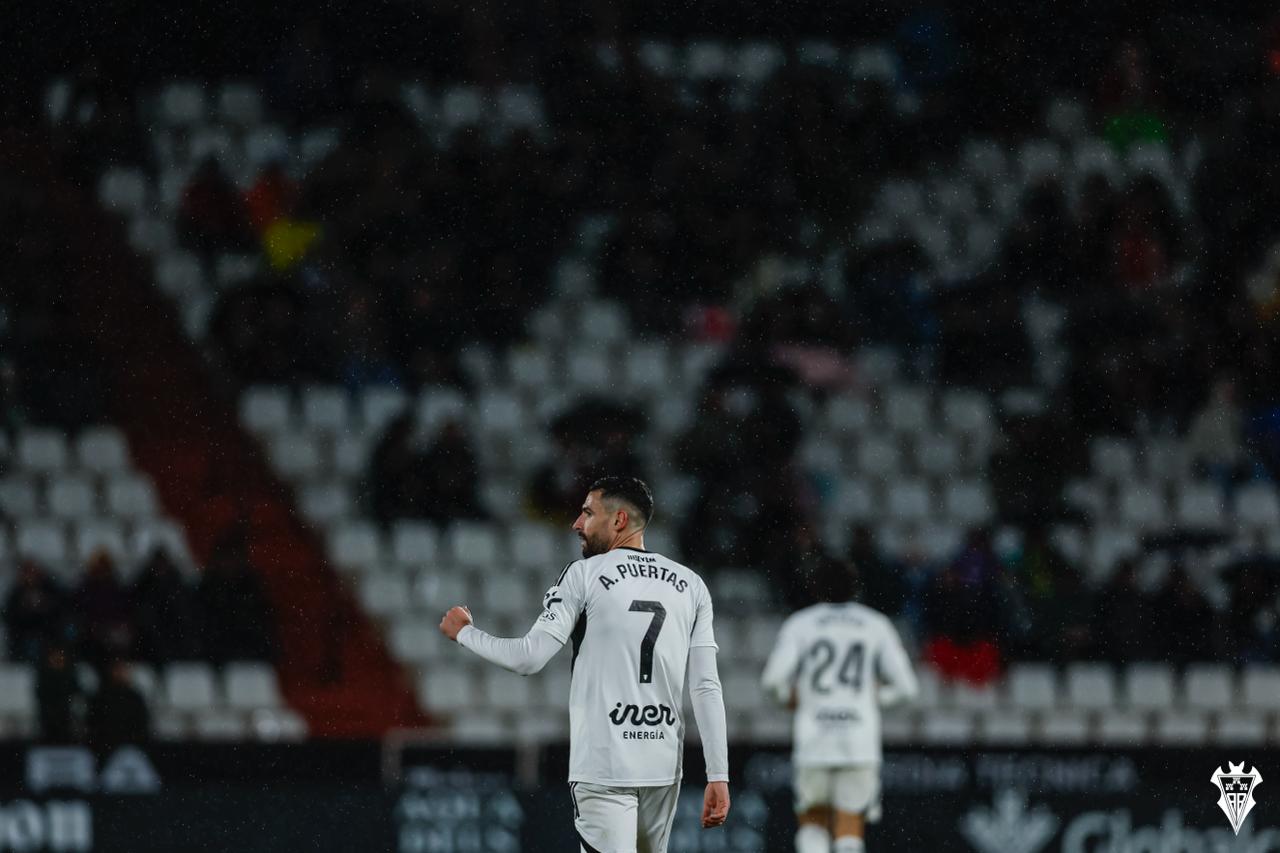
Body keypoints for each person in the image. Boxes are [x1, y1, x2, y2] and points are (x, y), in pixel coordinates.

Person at [439, 476, 730, 852]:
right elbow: (706, 685)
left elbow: (529, 658)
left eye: (587, 513)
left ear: (619, 520)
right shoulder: (691, 585)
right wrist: (718, 774)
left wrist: (465, 633)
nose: (577, 523)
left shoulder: (585, 575)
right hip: (661, 765)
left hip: (604, 765)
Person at [761, 563, 918, 853]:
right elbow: (907, 688)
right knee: (850, 824)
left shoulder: (801, 623)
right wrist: (874, 698)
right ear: (855, 588)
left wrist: (788, 698)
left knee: (813, 821)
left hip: (814, 736)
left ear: (815, 588)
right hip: (858, 738)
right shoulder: (875, 624)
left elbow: (772, 680)